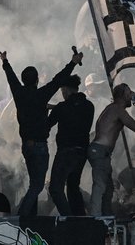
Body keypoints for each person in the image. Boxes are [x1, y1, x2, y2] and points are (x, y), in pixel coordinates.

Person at [0, 47, 83, 216]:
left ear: (24, 81)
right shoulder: (41, 94)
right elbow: (58, 80)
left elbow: (11, 78)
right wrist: (73, 62)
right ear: (37, 80)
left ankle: (31, 216)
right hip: (39, 146)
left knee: (34, 184)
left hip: (27, 146)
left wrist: (5, 61)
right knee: (37, 186)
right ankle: (22, 217)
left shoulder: (19, 93)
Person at [87, 83, 135, 216]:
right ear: (122, 96)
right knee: (100, 185)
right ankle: (94, 219)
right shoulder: (117, 109)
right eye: (129, 93)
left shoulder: (114, 109)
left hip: (102, 152)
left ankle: (106, 216)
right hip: (100, 150)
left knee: (108, 188)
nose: (132, 95)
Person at [47, 74, 94, 216]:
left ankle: (69, 218)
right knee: (73, 187)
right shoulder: (88, 106)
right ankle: (80, 218)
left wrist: (48, 110)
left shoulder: (62, 107)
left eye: (62, 91)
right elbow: (73, 108)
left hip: (66, 152)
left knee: (55, 188)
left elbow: (46, 125)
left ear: (65, 90)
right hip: (82, 152)